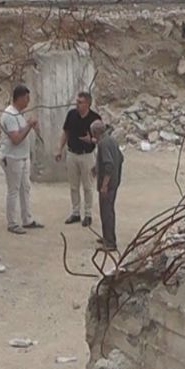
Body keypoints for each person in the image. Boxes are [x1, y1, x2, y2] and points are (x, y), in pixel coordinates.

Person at [0, 84, 43, 235]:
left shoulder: (19, 113)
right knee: (14, 190)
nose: (28, 101)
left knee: (25, 188)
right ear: (19, 98)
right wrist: (29, 126)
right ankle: (12, 222)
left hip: (22, 157)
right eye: (26, 98)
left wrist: (32, 126)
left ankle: (27, 219)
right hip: (12, 158)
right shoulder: (10, 115)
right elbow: (16, 138)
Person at [55, 91, 103, 227]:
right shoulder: (71, 114)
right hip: (72, 154)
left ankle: (88, 214)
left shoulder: (95, 118)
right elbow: (66, 132)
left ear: (87, 104)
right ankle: (75, 212)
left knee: (88, 186)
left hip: (87, 155)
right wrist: (59, 148)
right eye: (77, 102)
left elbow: (102, 139)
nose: (77, 104)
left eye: (80, 102)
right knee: (73, 186)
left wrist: (91, 140)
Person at [92, 120, 124, 252]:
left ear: (95, 132)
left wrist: (104, 184)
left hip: (108, 184)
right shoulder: (112, 140)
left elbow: (109, 165)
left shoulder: (103, 144)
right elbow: (120, 158)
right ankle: (107, 237)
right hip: (115, 181)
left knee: (106, 212)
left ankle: (110, 242)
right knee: (108, 210)